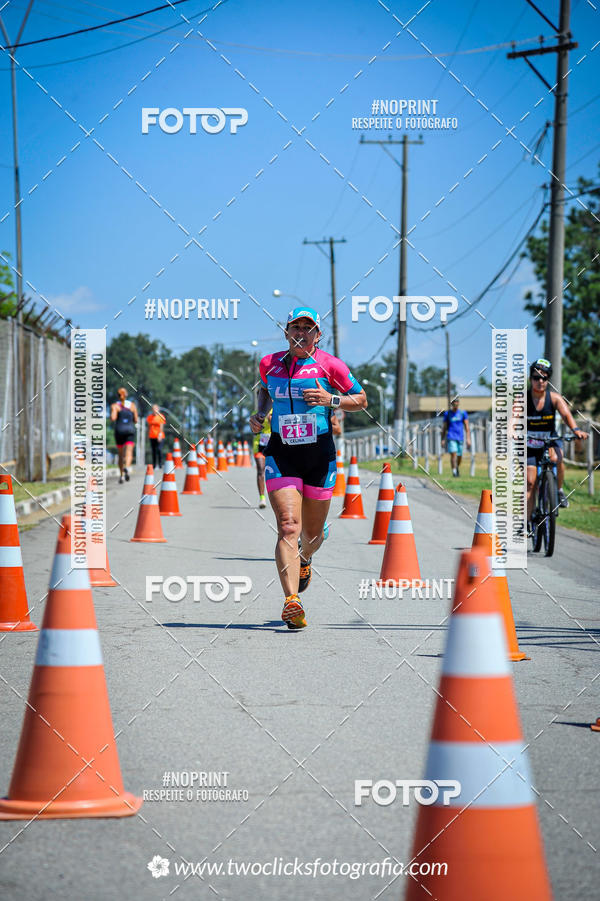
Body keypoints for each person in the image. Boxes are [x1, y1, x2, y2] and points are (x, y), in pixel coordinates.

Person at [249, 307, 367, 630]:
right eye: (295, 327)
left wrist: (330, 399)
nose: (301, 333)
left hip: (318, 455)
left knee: (311, 535)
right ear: (286, 332)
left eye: (307, 328)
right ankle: (292, 602)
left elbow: (361, 399)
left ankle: (307, 555)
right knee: (288, 525)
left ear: (317, 334)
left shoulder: (330, 365)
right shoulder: (269, 364)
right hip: (281, 453)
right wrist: (260, 414)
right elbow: (264, 391)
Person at [526, 358, 588, 518]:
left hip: (549, 439)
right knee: (530, 483)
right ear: (530, 379)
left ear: (548, 380)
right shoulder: (523, 399)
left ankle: (559, 490)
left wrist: (576, 430)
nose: (540, 381)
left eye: (544, 378)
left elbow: (566, 415)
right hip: (530, 443)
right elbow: (514, 417)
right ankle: (526, 522)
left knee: (558, 458)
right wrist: (511, 429)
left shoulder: (554, 398)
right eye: (536, 377)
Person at [110, 387, 138, 483]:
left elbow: (113, 418)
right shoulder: (132, 406)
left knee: (121, 454)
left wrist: (113, 414)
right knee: (129, 451)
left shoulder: (115, 406)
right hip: (130, 430)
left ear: (118, 396)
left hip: (119, 430)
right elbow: (136, 420)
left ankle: (121, 475)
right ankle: (127, 467)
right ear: (126, 395)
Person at [441, 397, 471, 477]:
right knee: (453, 454)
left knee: (459, 456)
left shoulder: (462, 413)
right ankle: (454, 472)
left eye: (457, 402)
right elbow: (444, 427)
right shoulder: (447, 414)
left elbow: (467, 427)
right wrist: (443, 439)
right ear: (452, 404)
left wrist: (468, 439)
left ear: (458, 403)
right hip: (451, 436)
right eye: (454, 403)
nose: (456, 404)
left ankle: (456, 467)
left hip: (460, 437)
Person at [252, 408, 272, 508]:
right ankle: (262, 497)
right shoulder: (255, 413)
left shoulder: (276, 409)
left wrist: (270, 418)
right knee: (260, 470)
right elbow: (253, 429)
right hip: (259, 444)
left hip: (273, 444)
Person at [146, 404, 166, 470]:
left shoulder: (161, 416)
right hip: (152, 436)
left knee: (159, 450)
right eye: (153, 409)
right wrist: (148, 434)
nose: (154, 410)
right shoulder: (149, 417)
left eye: (156, 409)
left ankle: (160, 464)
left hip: (160, 436)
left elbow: (161, 426)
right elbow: (149, 426)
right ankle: (154, 465)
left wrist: (160, 435)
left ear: (158, 410)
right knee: (154, 451)